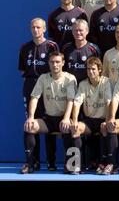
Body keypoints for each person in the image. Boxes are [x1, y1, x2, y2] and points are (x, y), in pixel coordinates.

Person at [21, 52, 77, 174]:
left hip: (64, 118)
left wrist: (67, 118)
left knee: (72, 128)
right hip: (48, 120)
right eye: (52, 62)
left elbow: (70, 100)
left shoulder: (70, 78)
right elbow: (34, 98)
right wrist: (30, 117)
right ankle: (30, 164)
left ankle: (71, 165)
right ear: (49, 63)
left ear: (63, 63)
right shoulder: (43, 78)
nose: (55, 65)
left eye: (57, 62)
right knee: (29, 127)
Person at [18, 18, 59, 171]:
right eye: (33, 27)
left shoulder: (52, 46)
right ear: (30, 29)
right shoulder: (25, 47)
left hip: (48, 86)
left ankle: (51, 161)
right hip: (30, 85)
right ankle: (32, 161)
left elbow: (57, 65)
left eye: (39, 27)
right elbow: (22, 69)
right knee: (31, 121)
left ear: (44, 29)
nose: (36, 30)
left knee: (49, 122)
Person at [70, 57, 112, 175]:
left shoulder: (107, 82)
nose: (90, 72)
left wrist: (108, 120)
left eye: (93, 69)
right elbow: (77, 103)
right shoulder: (83, 84)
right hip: (89, 121)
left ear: (100, 70)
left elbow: (110, 102)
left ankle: (104, 164)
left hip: (103, 119)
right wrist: (74, 121)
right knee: (75, 129)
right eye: (88, 69)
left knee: (105, 128)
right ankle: (76, 165)